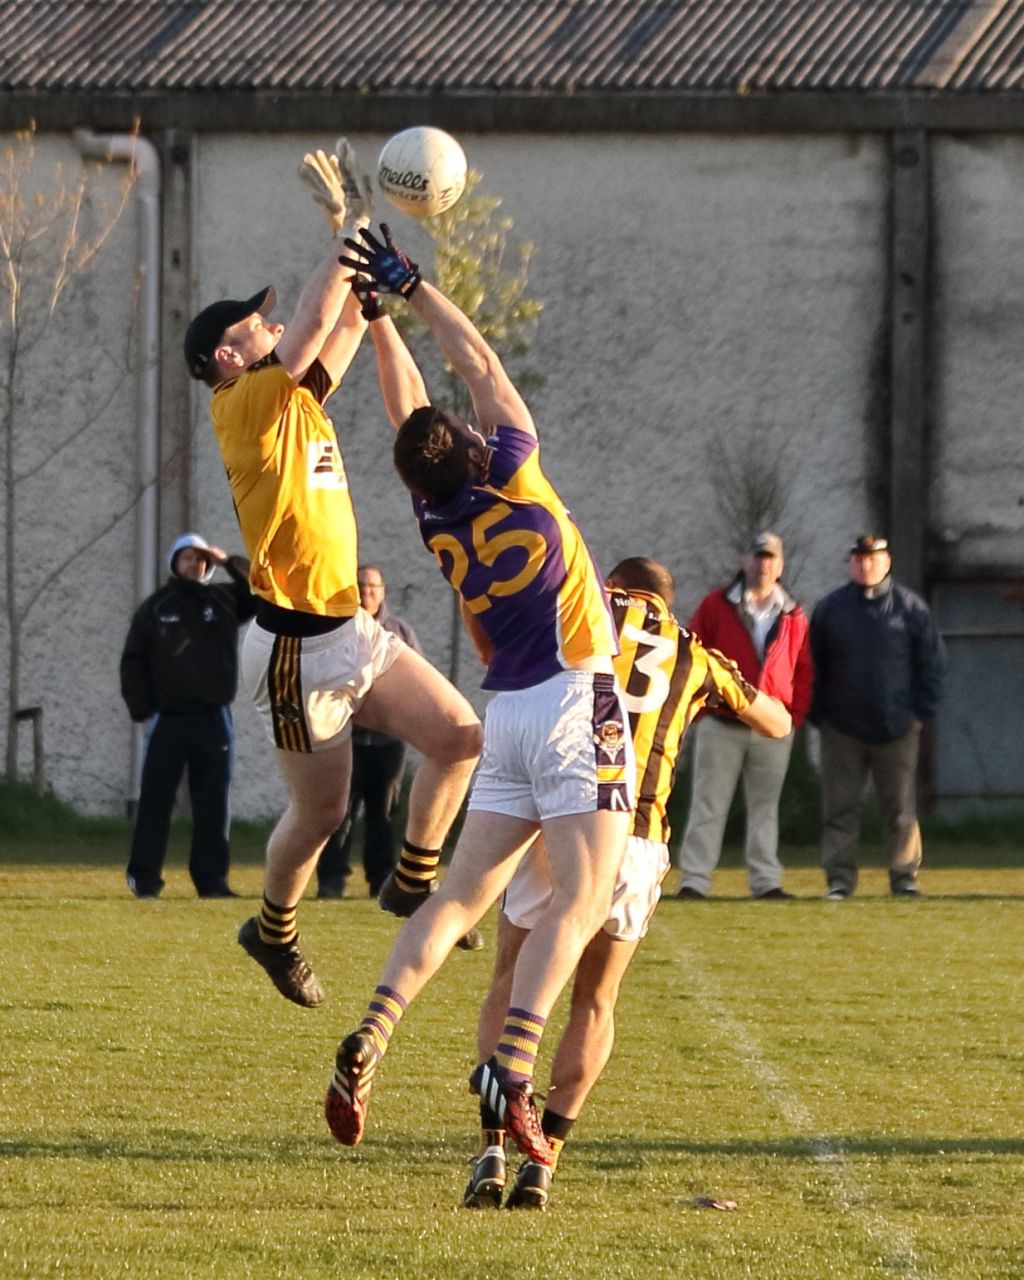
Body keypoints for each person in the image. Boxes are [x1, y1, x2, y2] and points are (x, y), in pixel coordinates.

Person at [323, 223, 636, 1166]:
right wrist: (412, 289)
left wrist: (374, 322)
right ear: (470, 445)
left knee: (458, 900)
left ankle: (370, 1034)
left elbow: (407, 413)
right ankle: (512, 1073)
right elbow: (477, 361)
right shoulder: (510, 469)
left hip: (504, 712)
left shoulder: (432, 507)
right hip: (577, 698)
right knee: (580, 905)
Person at [183, 142, 482, 1008]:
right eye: (252, 325)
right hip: (294, 648)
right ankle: (272, 929)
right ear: (229, 360)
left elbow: (343, 321)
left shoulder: (291, 399)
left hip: (351, 628)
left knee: (461, 737)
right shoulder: (243, 406)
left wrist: (373, 253)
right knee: (321, 817)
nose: (267, 323)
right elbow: (314, 322)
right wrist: (345, 226)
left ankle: (414, 880)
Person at [463, 556, 792, 1210]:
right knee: (594, 999)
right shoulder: (696, 655)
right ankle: (546, 1157)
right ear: (669, 603)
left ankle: (493, 1147)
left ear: (612, 587)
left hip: (560, 817)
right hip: (637, 834)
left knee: (511, 971)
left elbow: (493, 639)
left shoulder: (584, 614)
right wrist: (714, 702)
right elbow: (777, 721)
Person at [809, 534, 947, 899]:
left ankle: (905, 878)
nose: (865, 565)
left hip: (897, 728)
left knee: (901, 810)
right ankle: (839, 880)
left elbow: (932, 664)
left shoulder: (911, 608)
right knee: (839, 809)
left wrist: (920, 714)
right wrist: (818, 714)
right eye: (859, 559)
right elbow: (812, 666)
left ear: (886, 562)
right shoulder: (831, 608)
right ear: (850, 563)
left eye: (873, 558)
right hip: (841, 729)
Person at [676, 532, 812, 900]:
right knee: (707, 803)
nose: (763, 564)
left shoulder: (793, 613)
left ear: (780, 565)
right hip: (721, 723)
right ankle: (694, 880)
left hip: (771, 725)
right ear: (744, 561)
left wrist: (792, 715)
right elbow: (692, 653)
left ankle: (766, 881)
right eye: (757, 556)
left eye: (770, 558)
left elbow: (802, 667)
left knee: (766, 807)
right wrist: (700, 710)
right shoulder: (716, 605)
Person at [120, 533, 256, 898]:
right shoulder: (155, 607)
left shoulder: (225, 600)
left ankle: (212, 881)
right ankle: (145, 879)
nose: (194, 565)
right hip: (168, 720)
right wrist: (143, 712)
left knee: (213, 804)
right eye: (187, 558)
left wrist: (227, 560)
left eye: (201, 560)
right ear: (174, 562)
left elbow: (261, 589)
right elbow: (133, 662)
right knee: (155, 802)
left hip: (214, 719)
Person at [316, 564, 423, 899]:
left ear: (383, 591)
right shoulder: (335, 630)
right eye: (360, 587)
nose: (367, 593)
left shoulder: (398, 632)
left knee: (383, 815)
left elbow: (418, 680)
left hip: (388, 742)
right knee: (338, 813)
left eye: (373, 587)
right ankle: (331, 881)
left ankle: (380, 881)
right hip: (346, 738)